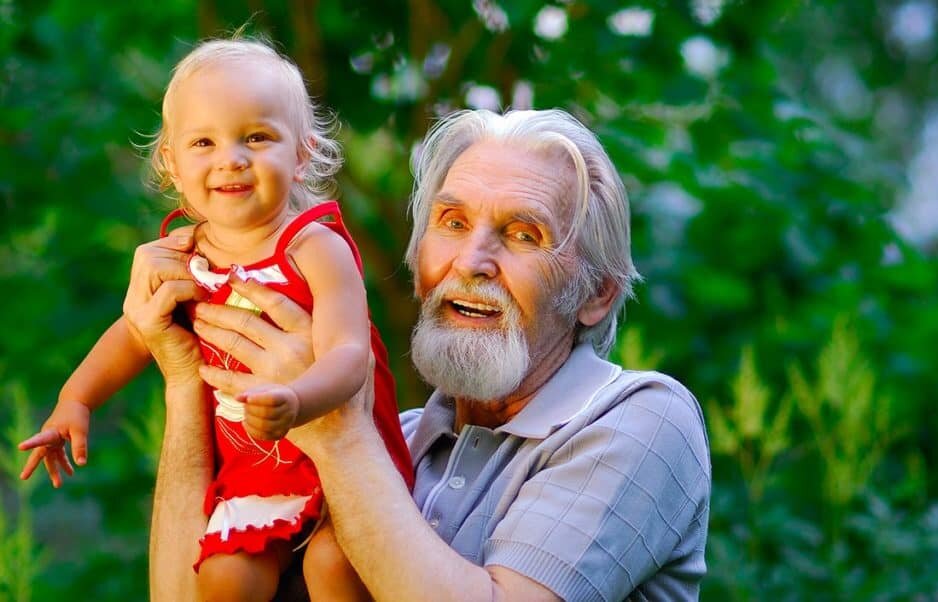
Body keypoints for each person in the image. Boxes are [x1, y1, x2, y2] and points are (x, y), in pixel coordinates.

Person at [129, 108, 711, 601]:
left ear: (597, 294)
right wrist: (186, 379)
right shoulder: (395, 444)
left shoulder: (641, 418)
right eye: (452, 223)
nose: (471, 261)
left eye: (523, 234)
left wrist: (335, 430)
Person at [19, 37, 413, 601]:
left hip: (341, 467)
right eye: (203, 141)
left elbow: (349, 356)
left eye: (256, 137)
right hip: (254, 472)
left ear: (302, 155)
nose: (231, 158)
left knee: (336, 567)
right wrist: (76, 399)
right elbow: (135, 332)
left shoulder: (314, 247)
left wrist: (299, 401)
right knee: (224, 579)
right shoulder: (184, 257)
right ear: (173, 166)